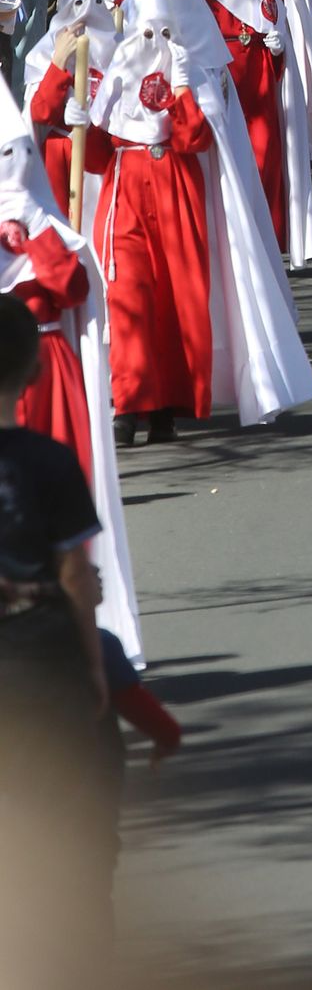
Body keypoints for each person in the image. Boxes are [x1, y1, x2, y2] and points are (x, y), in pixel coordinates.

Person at [0, 294, 117, 990]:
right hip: (41, 653)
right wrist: (96, 666)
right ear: (36, 368)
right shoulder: (48, 461)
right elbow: (75, 571)